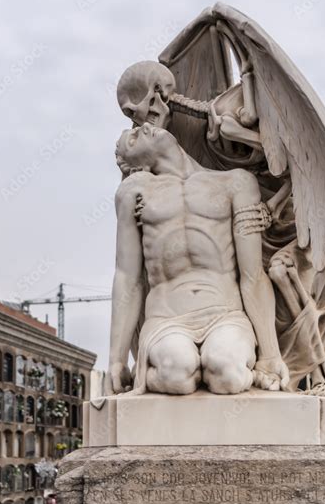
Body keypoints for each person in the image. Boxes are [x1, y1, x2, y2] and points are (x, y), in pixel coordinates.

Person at [106, 123, 289, 395]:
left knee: (228, 372)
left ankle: (229, 368)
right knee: (174, 372)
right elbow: (127, 278)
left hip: (224, 314)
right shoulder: (134, 193)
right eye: (131, 140)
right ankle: (151, 374)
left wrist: (270, 355)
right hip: (167, 319)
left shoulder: (236, 183)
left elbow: (253, 275)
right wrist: (117, 359)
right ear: (137, 166)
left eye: (139, 128)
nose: (142, 129)